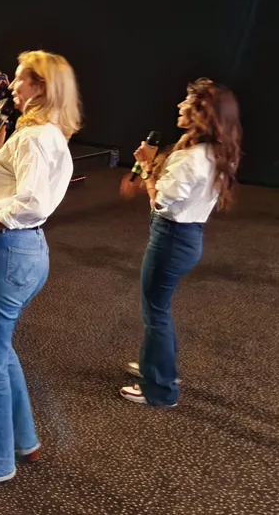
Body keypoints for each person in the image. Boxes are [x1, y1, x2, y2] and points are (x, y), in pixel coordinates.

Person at [0, 50, 82, 484]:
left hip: (8, 249)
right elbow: (17, 184)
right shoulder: (47, 134)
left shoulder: (35, 137)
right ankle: (25, 441)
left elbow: (31, 201)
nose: (13, 86)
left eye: (22, 79)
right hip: (28, 252)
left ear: (41, 87)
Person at [119, 78, 242, 407]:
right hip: (189, 237)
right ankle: (156, 367)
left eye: (187, 102)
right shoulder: (216, 152)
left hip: (172, 239)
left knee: (155, 311)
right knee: (158, 309)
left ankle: (161, 388)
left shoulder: (190, 158)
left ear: (202, 113)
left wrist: (146, 167)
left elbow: (160, 202)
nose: (179, 106)